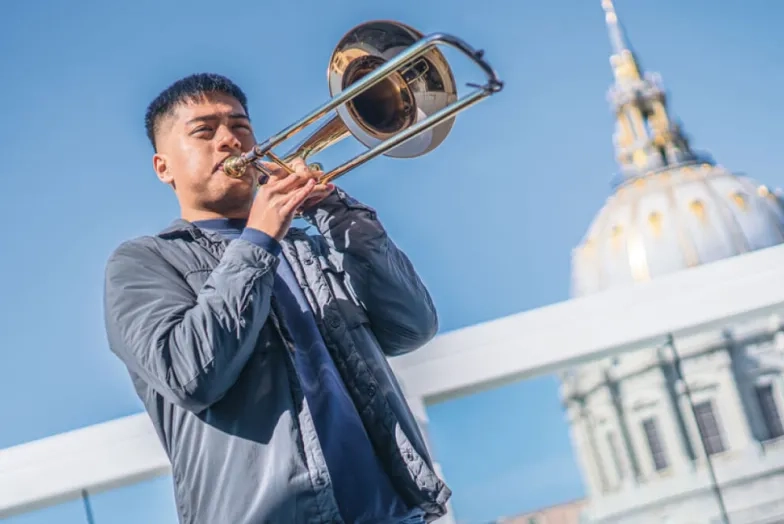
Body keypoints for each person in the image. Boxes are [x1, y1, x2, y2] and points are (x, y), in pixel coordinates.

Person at [102, 72, 451, 524]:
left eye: (240, 127)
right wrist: (259, 237)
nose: (229, 140)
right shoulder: (141, 262)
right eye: (204, 131)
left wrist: (335, 209)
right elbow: (191, 375)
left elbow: (412, 327)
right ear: (163, 167)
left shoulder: (307, 246)